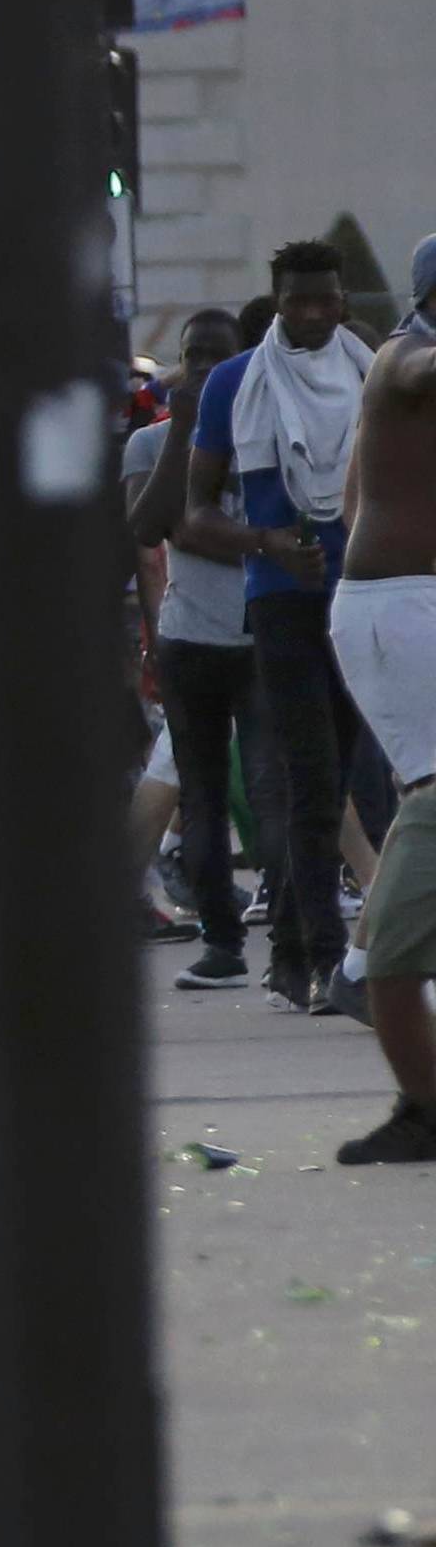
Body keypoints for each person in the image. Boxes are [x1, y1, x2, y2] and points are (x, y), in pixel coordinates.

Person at [186, 240, 372, 1011]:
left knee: (332, 780)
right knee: (309, 778)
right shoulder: (235, 384)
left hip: (359, 596)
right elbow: (192, 514)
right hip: (280, 600)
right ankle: (328, 961)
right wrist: (263, 543)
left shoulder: (373, 376)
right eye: (298, 302)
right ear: (277, 300)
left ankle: (290, 952)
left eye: (326, 299)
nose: (314, 315)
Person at [125, 308, 285, 989]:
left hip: (265, 634)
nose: (203, 370)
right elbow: (159, 526)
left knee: (276, 791)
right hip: (191, 639)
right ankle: (222, 942)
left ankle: (296, 940)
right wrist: (187, 430)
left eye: (219, 357)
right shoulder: (150, 443)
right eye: (192, 356)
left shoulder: (267, 432)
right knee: (205, 801)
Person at [326, 234, 436, 1160]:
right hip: (402, 612)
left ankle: (376, 952)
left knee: (425, 796)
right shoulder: (405, 358)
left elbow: (353, 503)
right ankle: (372, 958)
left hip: (401, 607)